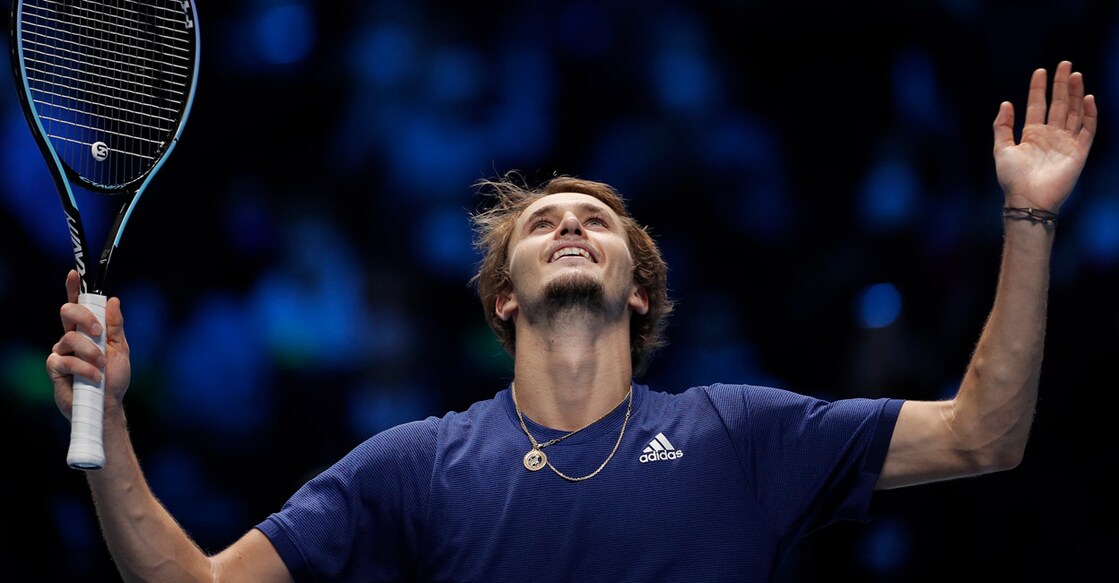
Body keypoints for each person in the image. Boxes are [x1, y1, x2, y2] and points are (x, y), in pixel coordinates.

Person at [46, 60, 1096, 582]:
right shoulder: (416, 465)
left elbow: (983, 433)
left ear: (638, 288)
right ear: (504, 297)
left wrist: (1029, 218)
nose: (571, 225)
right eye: (543, 222)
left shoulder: (745, 435)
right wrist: (110, 433)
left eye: (596, 219)